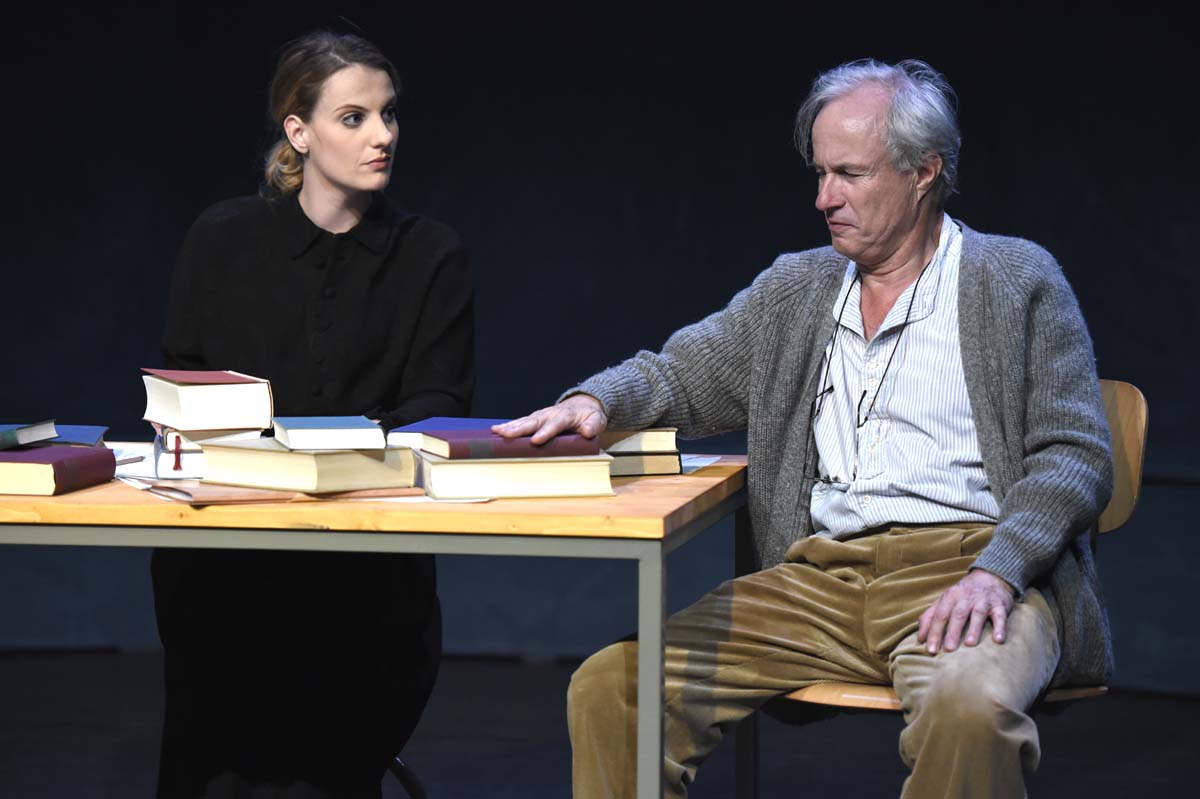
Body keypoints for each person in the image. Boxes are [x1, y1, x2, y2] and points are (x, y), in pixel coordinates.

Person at [496, 59, 1112, 798]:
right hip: (821, 579)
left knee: (969, 710)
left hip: (968, 570)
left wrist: (998, 570)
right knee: (615, 686)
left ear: (924, 172)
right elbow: (682, 373)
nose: (824, 197)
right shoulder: (800, 287)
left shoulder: (1014, 280)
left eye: (849, 174)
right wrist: (599, 401)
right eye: (819, 173)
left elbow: (1074, 454)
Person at [153, 31, 474, 797]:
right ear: (298, 132)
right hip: (234, 555)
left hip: (364, 563)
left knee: (328, 753)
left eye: (389, 114)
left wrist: (325, 457)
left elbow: (438, 406)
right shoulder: (222, 237)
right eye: (354, 118)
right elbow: (182, 386)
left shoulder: (431, 254)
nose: (382, 135)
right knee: (221, 745)